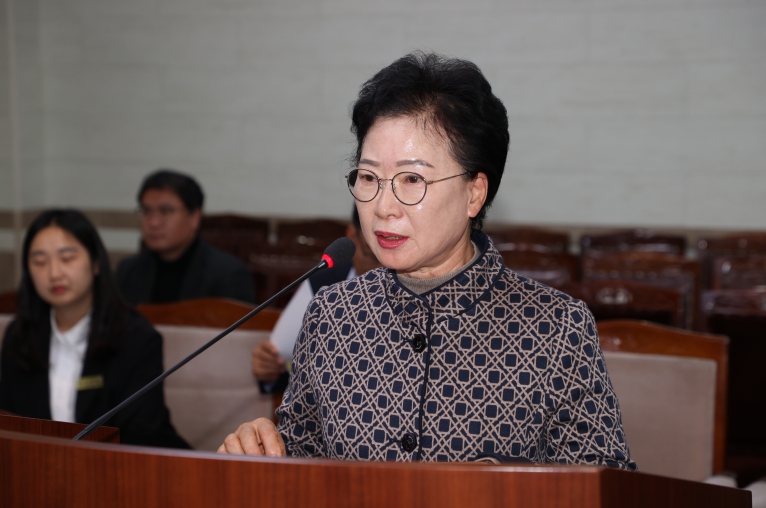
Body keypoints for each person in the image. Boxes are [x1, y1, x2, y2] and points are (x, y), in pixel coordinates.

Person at [219, 52, 636, 469]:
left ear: (474, 193)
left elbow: (605, 482)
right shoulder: (331, 315)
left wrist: (506, 486)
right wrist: (261, 451)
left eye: (412, 179)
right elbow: (301, 466)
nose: (383, 207)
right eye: (369, 177)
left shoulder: (557, 327)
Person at [0, 209, 189, 448]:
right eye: (40, 262)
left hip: (124, 465)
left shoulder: (136, 339)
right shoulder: (19, 336)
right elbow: (10, 423)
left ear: (96, 263)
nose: (54, 273)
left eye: (67, 258)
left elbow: (141, 434)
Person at [252, 207, 381, 393]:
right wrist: (269, 369)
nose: (384, 268)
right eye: (374, 256)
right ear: (352, 236)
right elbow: (288, 366)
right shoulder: (324, 283)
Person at [116, 169, 254, 305]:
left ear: (195, 217)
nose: (154, 222)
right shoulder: (128, 271)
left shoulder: (228, 275)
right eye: (147, 211)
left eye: (165, 211)